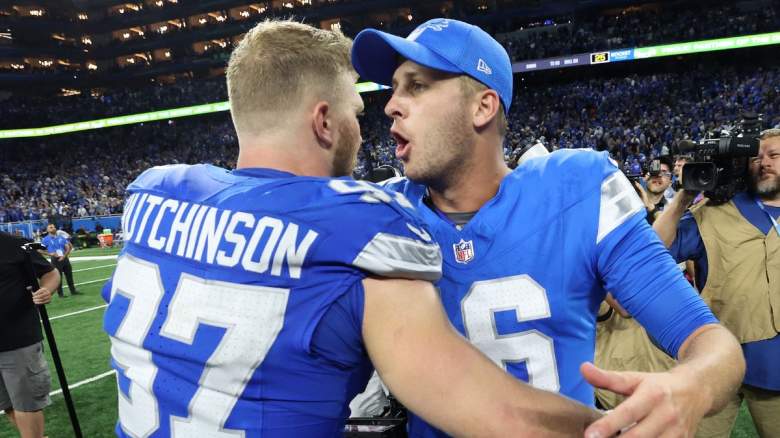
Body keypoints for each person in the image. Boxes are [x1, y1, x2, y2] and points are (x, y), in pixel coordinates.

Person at [102, 20, 601, 438]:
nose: (371, 123)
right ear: (325, 123)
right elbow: (500, 415)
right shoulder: (358, 222)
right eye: (356, 112)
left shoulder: (155, 194)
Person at [351, 17, 745, 438]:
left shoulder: (576, 189)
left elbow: (711, 343)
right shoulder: (379, 211)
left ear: (482, 106)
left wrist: (689, 386)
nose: (391, 104)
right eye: (393, 87)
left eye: (417, 85)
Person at [653, 128, 780, 437]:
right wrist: (684, 194)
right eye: (755, 157)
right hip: (716, 357)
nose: (763, 162)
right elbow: (654, 248)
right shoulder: (713, 211)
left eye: (774, 155)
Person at [0, 231, 61, 438]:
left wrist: (46, 290)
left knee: (26, 403)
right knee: (7, 403)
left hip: (17, 339)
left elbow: (50, 273)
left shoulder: (14, 244)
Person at [40, 223, 80, 297]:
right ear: (47, 230)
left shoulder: (60, 237)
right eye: (51, 227)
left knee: (69, 275)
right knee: (58, 277)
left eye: (54, 227)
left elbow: (68, 247)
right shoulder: (45, 239)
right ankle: (60, 294)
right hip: (55, 259)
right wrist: (50, 254)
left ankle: (73, 291)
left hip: (64, 258)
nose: (53, 228)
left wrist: (64, 256)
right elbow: (39, 250)